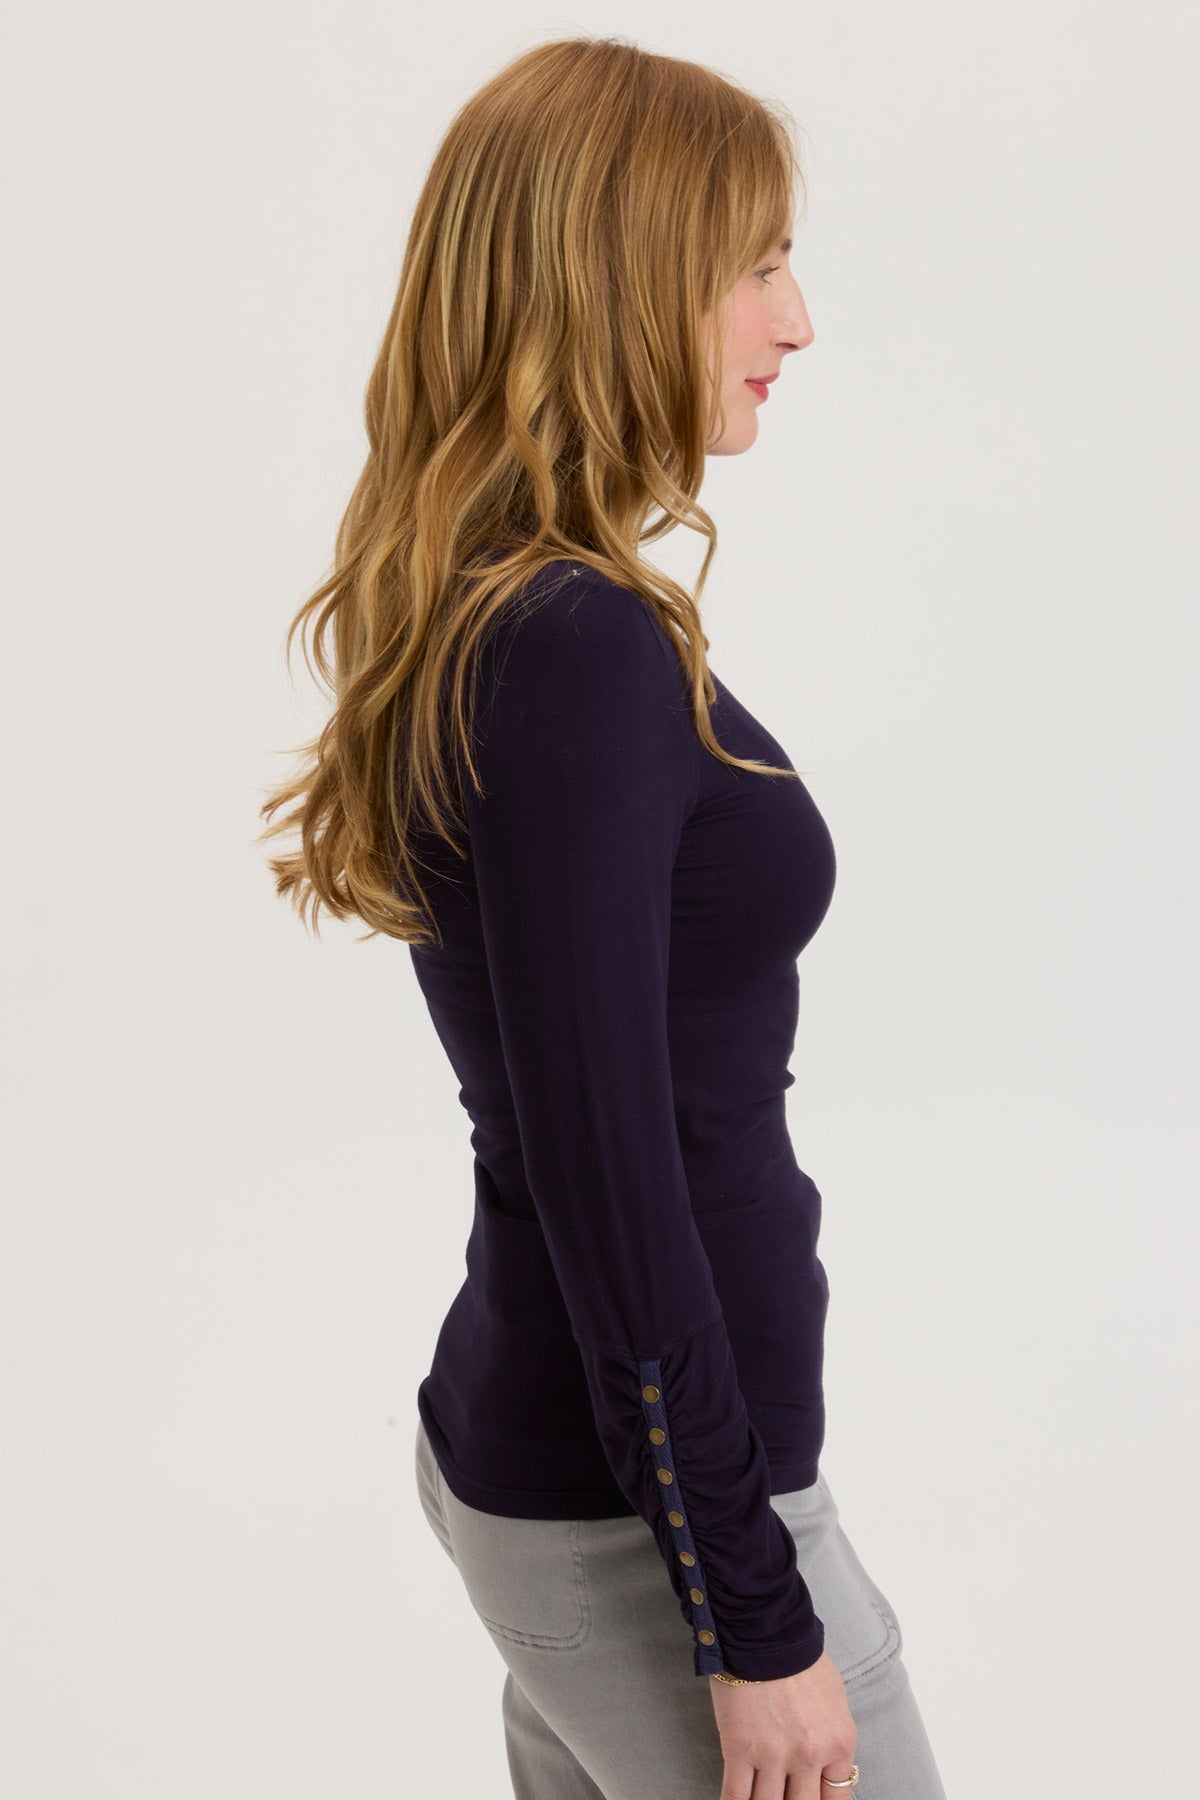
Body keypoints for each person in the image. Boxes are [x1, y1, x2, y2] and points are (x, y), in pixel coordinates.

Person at [258, 33, 949, 1800]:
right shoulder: (571, 644)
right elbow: (606, 1167)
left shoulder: (512, 611)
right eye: (757, 264)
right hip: (647, 1528)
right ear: (619, 278)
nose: (798, 321)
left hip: (587, 1479)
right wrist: (751, 1614)